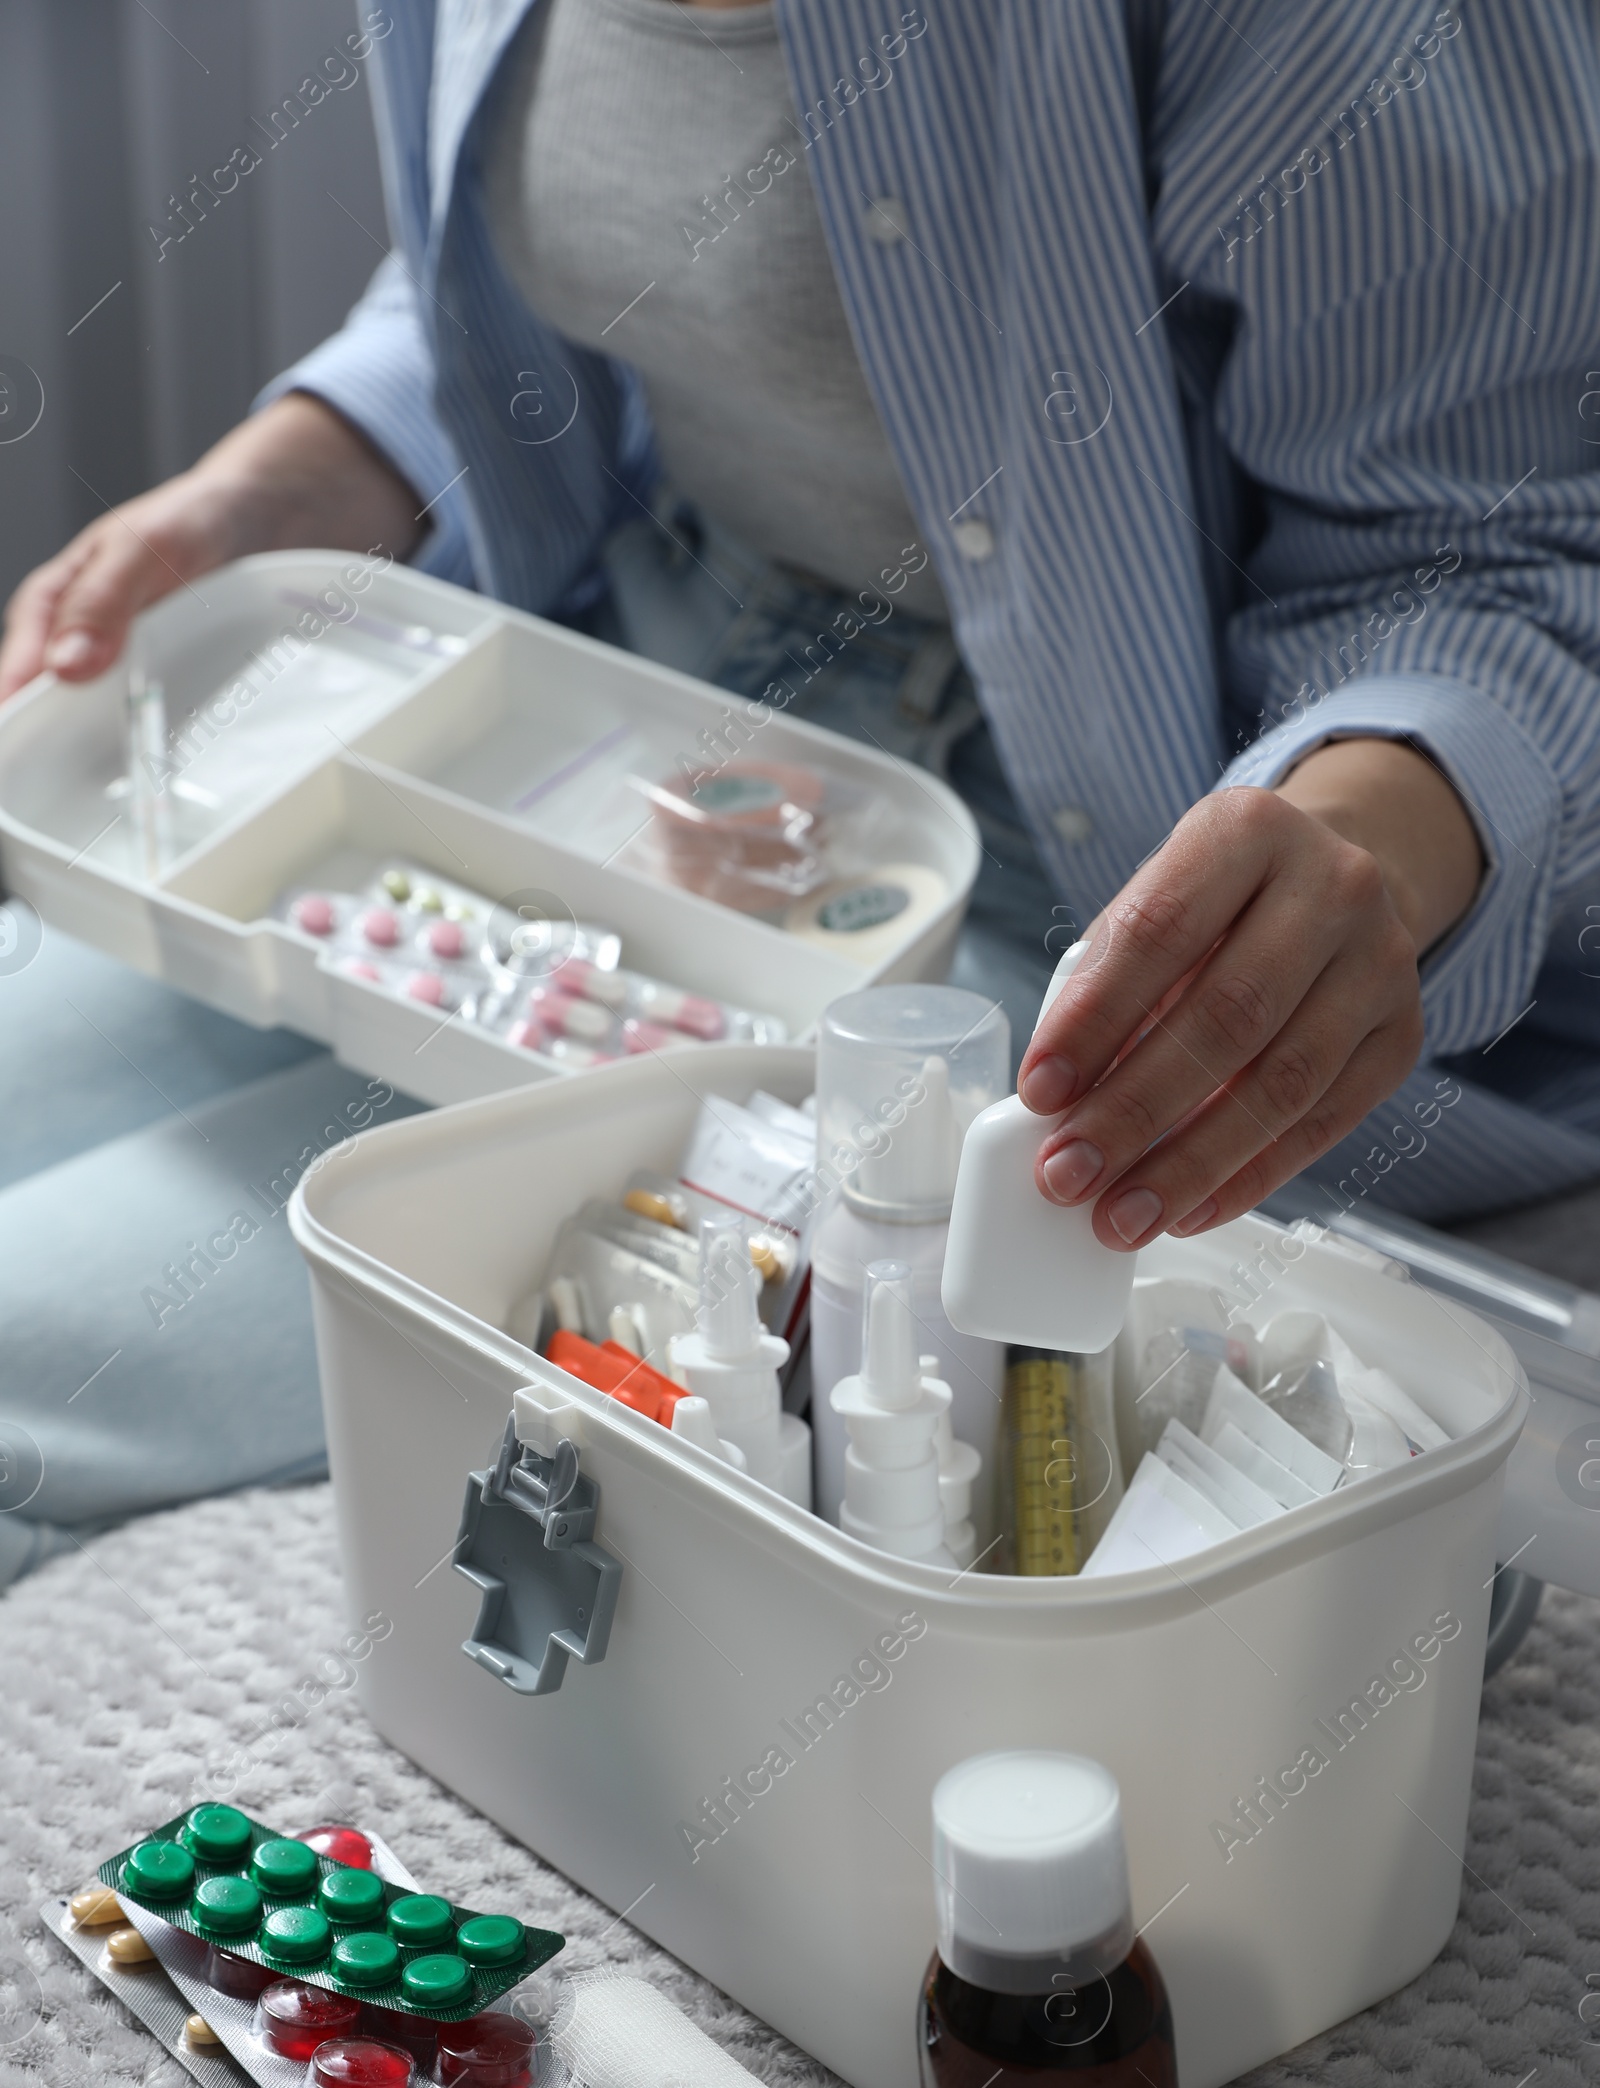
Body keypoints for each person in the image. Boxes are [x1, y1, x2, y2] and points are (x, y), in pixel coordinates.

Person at [3, 0, 1599, 1579]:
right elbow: (548, 271)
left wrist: (1356, 853)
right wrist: (304, 468)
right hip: (630, 708)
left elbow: (1500, 551)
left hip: (1083, 853)